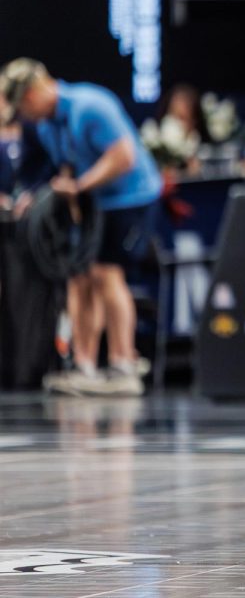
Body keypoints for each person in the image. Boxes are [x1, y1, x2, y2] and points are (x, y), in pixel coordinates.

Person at [0, 59, 162, 397]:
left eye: (23, 106)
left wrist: (82, 185)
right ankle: (84, 364)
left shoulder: (90, 106)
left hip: (129, 198)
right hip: (93, 203)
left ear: (33, 92)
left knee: (106, 274)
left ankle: (123, 364)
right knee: (79, 277)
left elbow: (123, 157)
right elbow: (65, 166)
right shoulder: (47, 125)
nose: (24, 116)